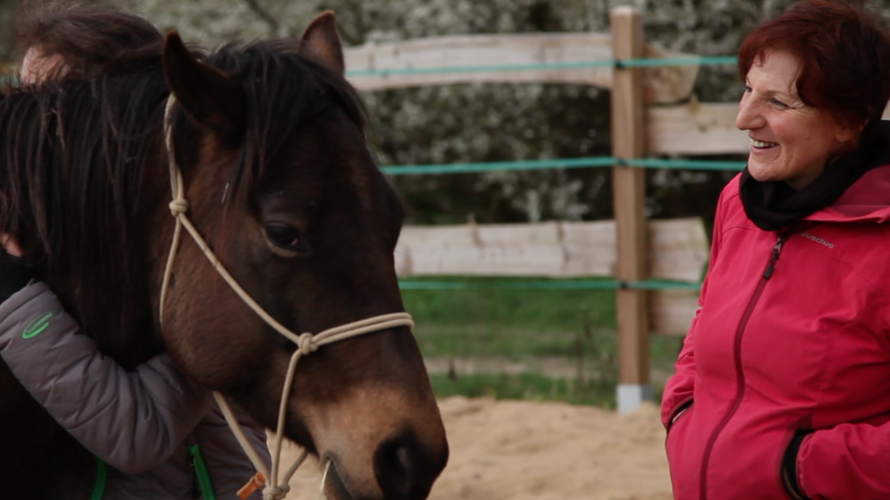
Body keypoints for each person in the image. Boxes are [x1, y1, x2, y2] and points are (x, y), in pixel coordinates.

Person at [0, 4, 270, 499]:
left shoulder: (177, 248)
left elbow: (136, 431)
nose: (22, 132)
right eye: (23, 98)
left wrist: (12, 292)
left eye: (48, 109)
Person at [661, 1, 890, 499]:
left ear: (848, 123)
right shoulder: (737, 203)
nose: (744, 118)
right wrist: (682, 414)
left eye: (778, 104)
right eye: (748, 91)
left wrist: (799, 470)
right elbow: (704, 326)